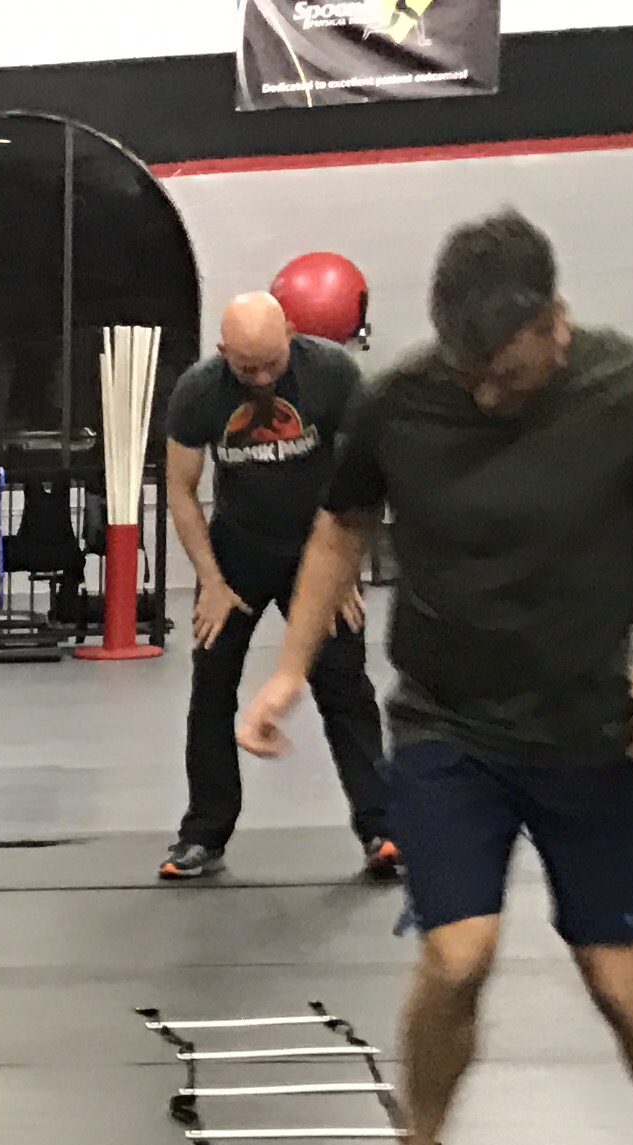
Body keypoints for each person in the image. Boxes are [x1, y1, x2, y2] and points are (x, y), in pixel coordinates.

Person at [241, 208, 633, 1145]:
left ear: (556, 321)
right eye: (470, 371)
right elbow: (341, 526)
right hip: (448, 726)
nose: (487, 393)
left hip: (588, 734)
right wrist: (289, 669)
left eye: (510, 373)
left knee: (620, 979)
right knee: (457, 957)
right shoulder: (401, 398)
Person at [160, 290, 393, 884]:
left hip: (318, 545)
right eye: (248, 368)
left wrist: (342, 571)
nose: (262, 378)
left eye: (271, 363)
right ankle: (203, 833)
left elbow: (366, 479)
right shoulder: (199, 392)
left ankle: (382, 829)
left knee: (343, 682)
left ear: (290, 331)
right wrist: (210, 582)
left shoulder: (333, 374)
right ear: (223, 352)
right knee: (211, 683)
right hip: (238, 547)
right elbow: (181, 490)